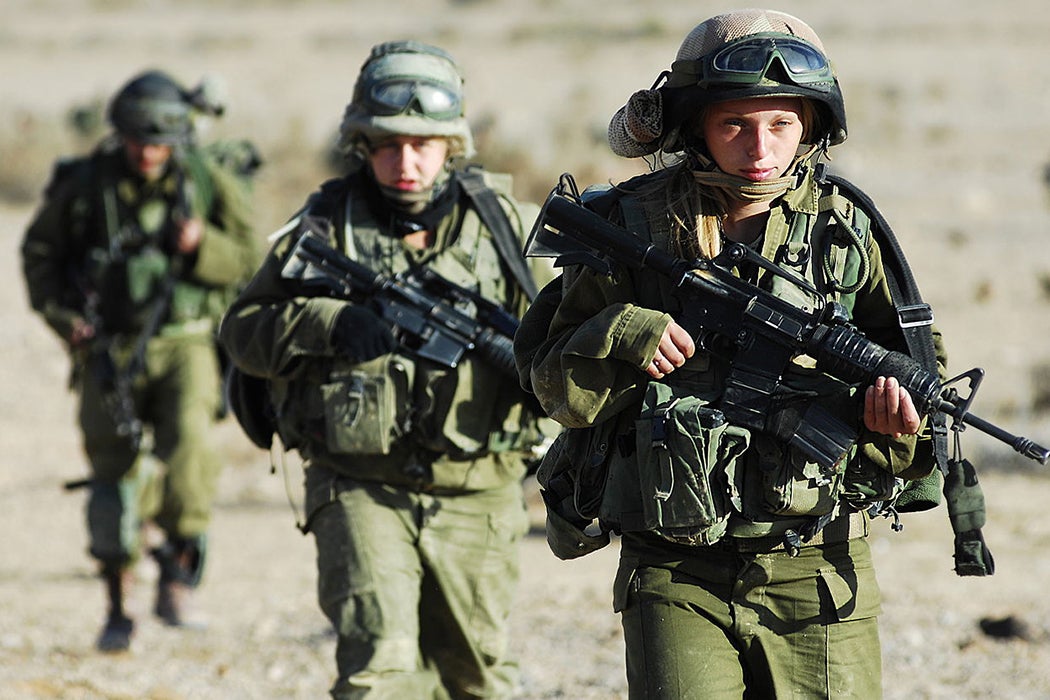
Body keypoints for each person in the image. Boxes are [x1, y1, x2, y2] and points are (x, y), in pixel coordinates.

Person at [514, 9, 948, 698]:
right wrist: (622, 332)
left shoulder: (846, 232)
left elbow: (920, 377)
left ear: (811, 125)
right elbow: (549, 386)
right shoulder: (627, 227)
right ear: (695, 128)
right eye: (734, 124)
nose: (759, 147)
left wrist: (898, 427)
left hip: (818, 566)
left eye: (780, 122)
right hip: (673, 569)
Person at [218, 40, 552, 699]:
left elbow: (559, 339)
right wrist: (329, 324)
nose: (406, 162)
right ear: (362, 143)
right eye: (389, 145)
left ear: (451, 146)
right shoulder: (324, 225)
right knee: (380, 675)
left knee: (479, 675)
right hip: (358, 486)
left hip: (479, 490)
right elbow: (242, 332)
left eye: (424, 145)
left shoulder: (506, 229)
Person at [21, 68, 259, 652]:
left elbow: (253, 257)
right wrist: (63, 321)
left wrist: (203, 246)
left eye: (159, 142)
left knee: (191, 454)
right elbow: (40, 252)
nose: (148, 152)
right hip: (109, 348)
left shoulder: (207, 180)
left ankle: (178, 573)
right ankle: (117, 598)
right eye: (137, 141)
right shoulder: (86, 184)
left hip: (185, 341)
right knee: (113, 475)